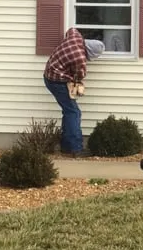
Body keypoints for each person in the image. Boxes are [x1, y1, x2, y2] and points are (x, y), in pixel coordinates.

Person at [43, 28, 105, 156]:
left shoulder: (75, 36)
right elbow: (80, 75)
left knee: (69, 111)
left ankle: (66, 146)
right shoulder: (80, 58)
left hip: (49, 75)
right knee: (74, 112)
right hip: (56, 81)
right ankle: (75, 149)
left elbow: (70, 29)